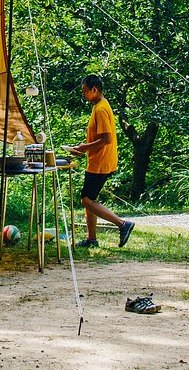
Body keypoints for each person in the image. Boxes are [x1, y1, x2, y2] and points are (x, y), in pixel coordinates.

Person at [66, 75, 134, 248]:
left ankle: (122, 224)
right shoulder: (99, 107)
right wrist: (83, 150)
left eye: (85, 90)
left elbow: (106, 139)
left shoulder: (101, 108)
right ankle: (91, 239)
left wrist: (85, 147)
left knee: (86, 200)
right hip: (97, 160)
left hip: (101, 162)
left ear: (94, 89)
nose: (83, 94)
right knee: (90, 199)